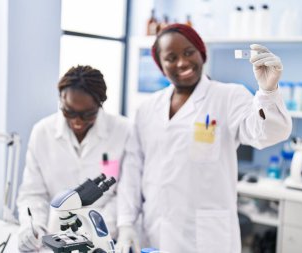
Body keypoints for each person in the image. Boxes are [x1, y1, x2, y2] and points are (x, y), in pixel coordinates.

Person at [115, 24, 292, 253]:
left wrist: (268, 92)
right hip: (154, 228)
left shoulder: (229, 96)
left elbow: (267, 133)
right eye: (171, 57)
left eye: (189, 52)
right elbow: (133, 169)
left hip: (205, 238)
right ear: (161, 65)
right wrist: (126, 222)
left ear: (201, 53)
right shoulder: (147, 108)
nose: (182, 63)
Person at [16, 65, 131, 252]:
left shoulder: (123, 130)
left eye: (88, 114)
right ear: (60, 99)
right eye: (69, 111)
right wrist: (33, 227)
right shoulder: (42, 132)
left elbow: (126, 194)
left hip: (105, 236)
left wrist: (95, 230)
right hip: (55, 237)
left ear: (100, 104)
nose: (77, 121)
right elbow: (33, 193)